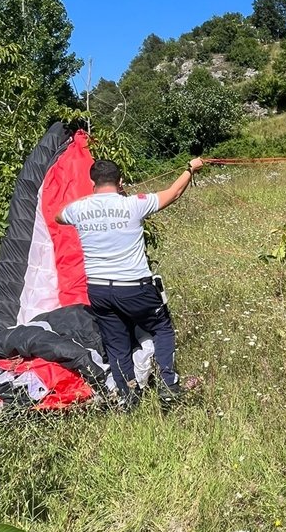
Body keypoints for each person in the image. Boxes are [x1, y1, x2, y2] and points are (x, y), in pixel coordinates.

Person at [57, 157, 204, 408]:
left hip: (99, 289)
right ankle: (168, 385)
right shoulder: (133, 204)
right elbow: (173, 193)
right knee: (161, 327)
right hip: (135, 286)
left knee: (116, 343)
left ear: (92, 182)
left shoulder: (79, 209)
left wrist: (88, 202)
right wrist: (191, 169)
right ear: (120, 181)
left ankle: (128, 395)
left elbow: (59, 216)